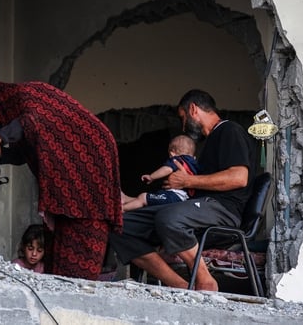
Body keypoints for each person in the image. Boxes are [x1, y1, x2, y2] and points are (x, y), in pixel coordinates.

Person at [0, 79, 122, 280]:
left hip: (88, 173)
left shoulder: (26, 93)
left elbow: (35, 118)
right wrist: (0, 152)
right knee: (57, 257)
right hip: (64, 188)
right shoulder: (13, 116)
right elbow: (27, 152)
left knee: (81, 248)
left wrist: (0, 137)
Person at [109, 89, 256, 291]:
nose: (183, 126)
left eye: (183, 118)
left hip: (222, 210)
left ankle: (205, 280)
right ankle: (181, 285)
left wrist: (187, 180)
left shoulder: (229, 131)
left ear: (193, 109)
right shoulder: (208, 142)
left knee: (170, 217)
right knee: (120, 225)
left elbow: (239, 178)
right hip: (194, 209)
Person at [121, 134, 199, 211]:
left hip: (174, 196)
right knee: (151, 199)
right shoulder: (194, 165)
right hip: (185, 199)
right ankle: (126, 200)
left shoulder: (178, 160)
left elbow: (167, 169)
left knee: (143, 197)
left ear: (172, 153)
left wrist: (151, 177)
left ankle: (122, 209)